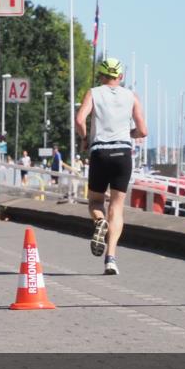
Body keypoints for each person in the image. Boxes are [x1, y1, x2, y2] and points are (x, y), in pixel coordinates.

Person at [75, 57, 147, 276]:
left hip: (100, 152)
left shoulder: (94, 93)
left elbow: (79, 120)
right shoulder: (131, 96)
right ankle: (111, 259)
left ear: (101, 75)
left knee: (96, 202)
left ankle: (100, 221)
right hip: (123, 154)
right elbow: (143, 131)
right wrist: (131, 134)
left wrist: (85, 138)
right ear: (121, 77)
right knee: (117, 206)